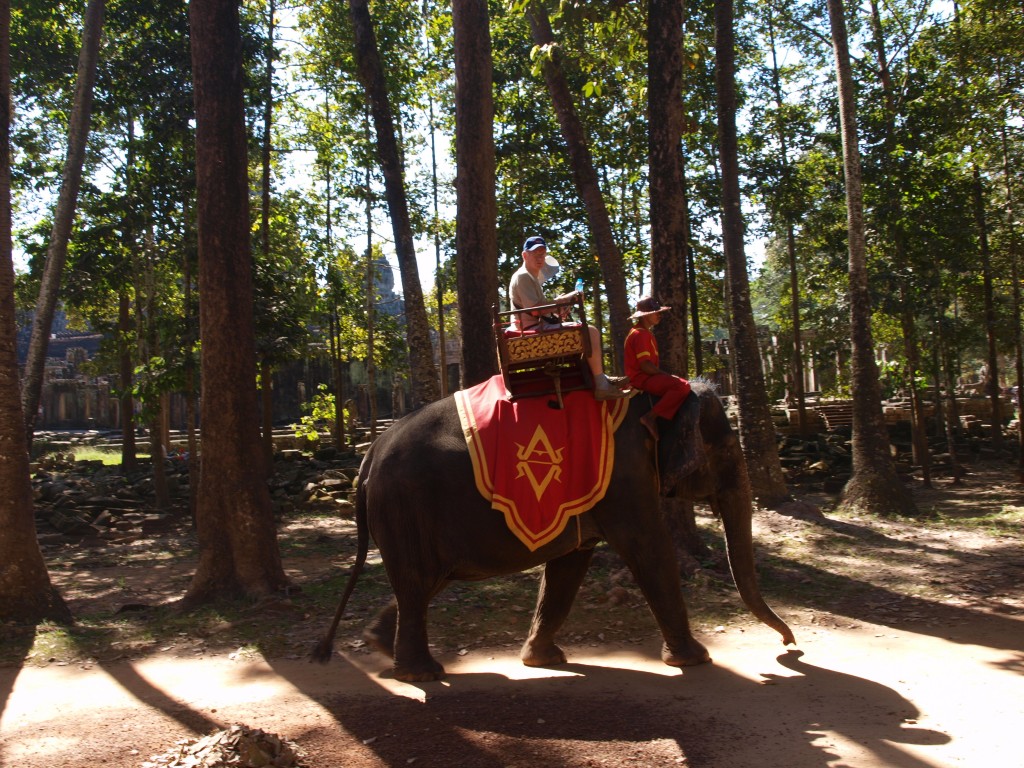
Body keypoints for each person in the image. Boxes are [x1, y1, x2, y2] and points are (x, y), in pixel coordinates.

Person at [509, 235, 630, 401]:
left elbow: (539, 308)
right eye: (536, 254)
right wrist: (565, 299)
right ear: (525, 255)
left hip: (535, 327)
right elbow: (535, 310)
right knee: (591, 332)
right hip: (530, 331)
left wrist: (561, 308)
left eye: (543, 254)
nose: (540, 258)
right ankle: (601, 384)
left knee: (587, 329)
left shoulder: (532, 278)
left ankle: (600, 378)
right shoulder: (523, 276)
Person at [623, 297, 704, 470]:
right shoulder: (640, 334)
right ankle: (650, 417)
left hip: (645, 377)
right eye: (656, 313)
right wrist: (666, 376)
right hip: (642, 379)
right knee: (681, 386)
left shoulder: (643, 332)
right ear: (645, 316)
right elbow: (645, 365)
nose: (659, 315)